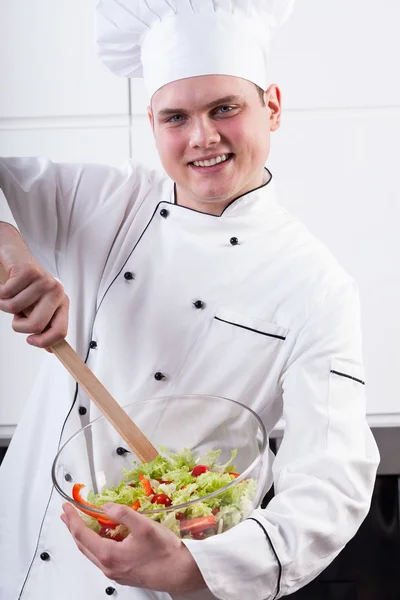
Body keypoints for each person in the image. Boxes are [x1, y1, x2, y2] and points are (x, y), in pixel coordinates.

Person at [0, 1, 379, 599]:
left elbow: (331, 479)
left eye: (224, 108)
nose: (203, 137)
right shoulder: (100, 202)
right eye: (176, 116)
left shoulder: (316, 286)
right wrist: (14, 252)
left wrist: (194, 569)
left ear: (272, 106)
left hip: (160, 580)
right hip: (14, 551)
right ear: (150, 120)